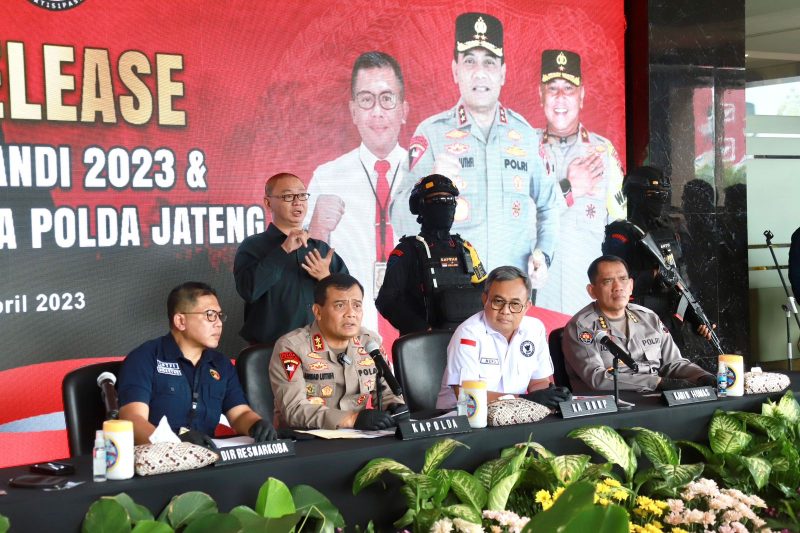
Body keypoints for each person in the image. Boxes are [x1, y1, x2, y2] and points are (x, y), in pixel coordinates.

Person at [392, 12, 558, 283]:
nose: (480, 72)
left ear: (503, 73)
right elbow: (399, 218)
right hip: (451, 287)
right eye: (469, 60)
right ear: (455, 70)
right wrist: (428, 185)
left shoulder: (525, 135)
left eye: (489, 62)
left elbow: (550, 206)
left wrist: (544, 254)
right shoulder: (432, 134)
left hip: (510, 290)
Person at [306, 51, 409, 333]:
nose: (377, 111)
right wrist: (317, 228)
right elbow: (302, 262)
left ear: (404, 110)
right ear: (353, 111)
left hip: (416, 323)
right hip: (348, 329)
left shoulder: (425, 173)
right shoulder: (327, 178)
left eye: (387, 99)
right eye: (366, 100)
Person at [118, 282, 277, 446]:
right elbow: (133, 420)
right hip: (158, 456)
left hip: (208, 455)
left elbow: (239, 414)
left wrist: (256, 424)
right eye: (210, 315)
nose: (219, 323)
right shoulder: (145, 357)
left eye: (219, 315)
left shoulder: (221, 364)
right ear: (181, 321)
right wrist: (174, 442)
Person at [533, 49, 626, 315]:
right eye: (553, 88)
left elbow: (619, 227)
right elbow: (517, 222)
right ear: (540, 94)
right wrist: (568, 189)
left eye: (569, 89)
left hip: (589, 299)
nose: (561, 97)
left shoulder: (603, 152)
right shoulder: (524, 150)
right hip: (539, 298)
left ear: (582, 95)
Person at [270, 273, 408, 430]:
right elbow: (294, 409)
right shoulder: (291, 347)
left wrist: (394, 406)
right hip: (307, 438)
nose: (351, 313)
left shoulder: (369, 342)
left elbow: (387, 392)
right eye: (340, 305)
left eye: (357, 305)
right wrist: (351, 419)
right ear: (318, 312)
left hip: (360, 435)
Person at [563, 255, 716, 393]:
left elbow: (673, 364)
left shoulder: (649, 318)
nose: (618, 287)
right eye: (607, 281)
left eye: (623, 279)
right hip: (611, 405)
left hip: (656, 400)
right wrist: (658, 382)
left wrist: (702, 377)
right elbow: (597, 378)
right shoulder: (582, 327)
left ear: (631, 286)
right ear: (592, 291)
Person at [603, 165, 715, 351]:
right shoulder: (621, 234)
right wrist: (654, 275)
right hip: (635, 320)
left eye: (663, 195)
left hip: (668, 322)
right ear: (635, 195)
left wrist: (696, 318)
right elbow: (610, 283)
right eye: (653, 195)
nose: (660, 201)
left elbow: (680, 283)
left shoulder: (667, 232)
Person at [234, 172, 348, 345]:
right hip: (271, 350)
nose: (297, 202)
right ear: (268, 203)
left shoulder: (320, 249)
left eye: (302, 195)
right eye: (288, 196)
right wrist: (283, 250)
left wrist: (326, 278)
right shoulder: (253, 246)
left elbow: (350, 298)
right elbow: (249, 290)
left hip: (320, 347)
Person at [436, 266, 571, 409]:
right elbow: (468, 398)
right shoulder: (468, 334)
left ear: (527, 306)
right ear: (485, 299)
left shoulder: (535, 329)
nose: (505, 311)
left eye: (515, 304)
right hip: (460, 415)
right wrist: (526, 400)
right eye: (498, 301)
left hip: (516, 414)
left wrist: (552, 396)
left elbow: (538, 382)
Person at [376, 174, 487, 335]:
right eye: (436, 200)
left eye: (449, 200)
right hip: (425, 342)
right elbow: (386, 300)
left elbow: (485, 291)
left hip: (466, 340)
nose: (444, 205)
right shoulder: (407, 251)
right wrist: (421, 329)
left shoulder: (465, 248)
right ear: (420, 206)